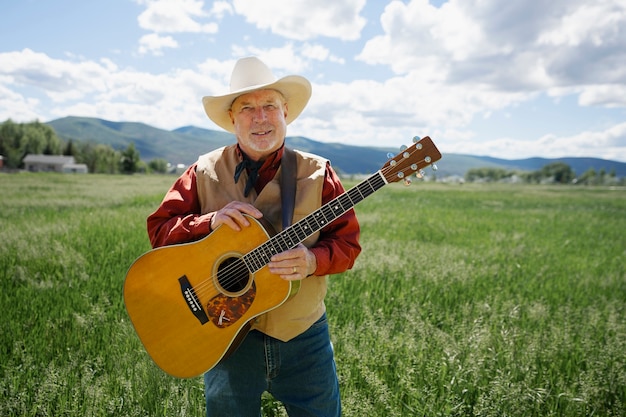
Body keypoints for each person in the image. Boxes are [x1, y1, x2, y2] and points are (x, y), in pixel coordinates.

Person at [146, 56, 361, 416]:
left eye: (269, 106)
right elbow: (159, 231)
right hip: (224, 337)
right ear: (232, 118)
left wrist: (312, 260)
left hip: (302, 336)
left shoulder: (318, 173)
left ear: (285, 112)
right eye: (247, 108)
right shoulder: (203, 171)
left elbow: (347, 245)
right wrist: (208, 222)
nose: (260, 117)